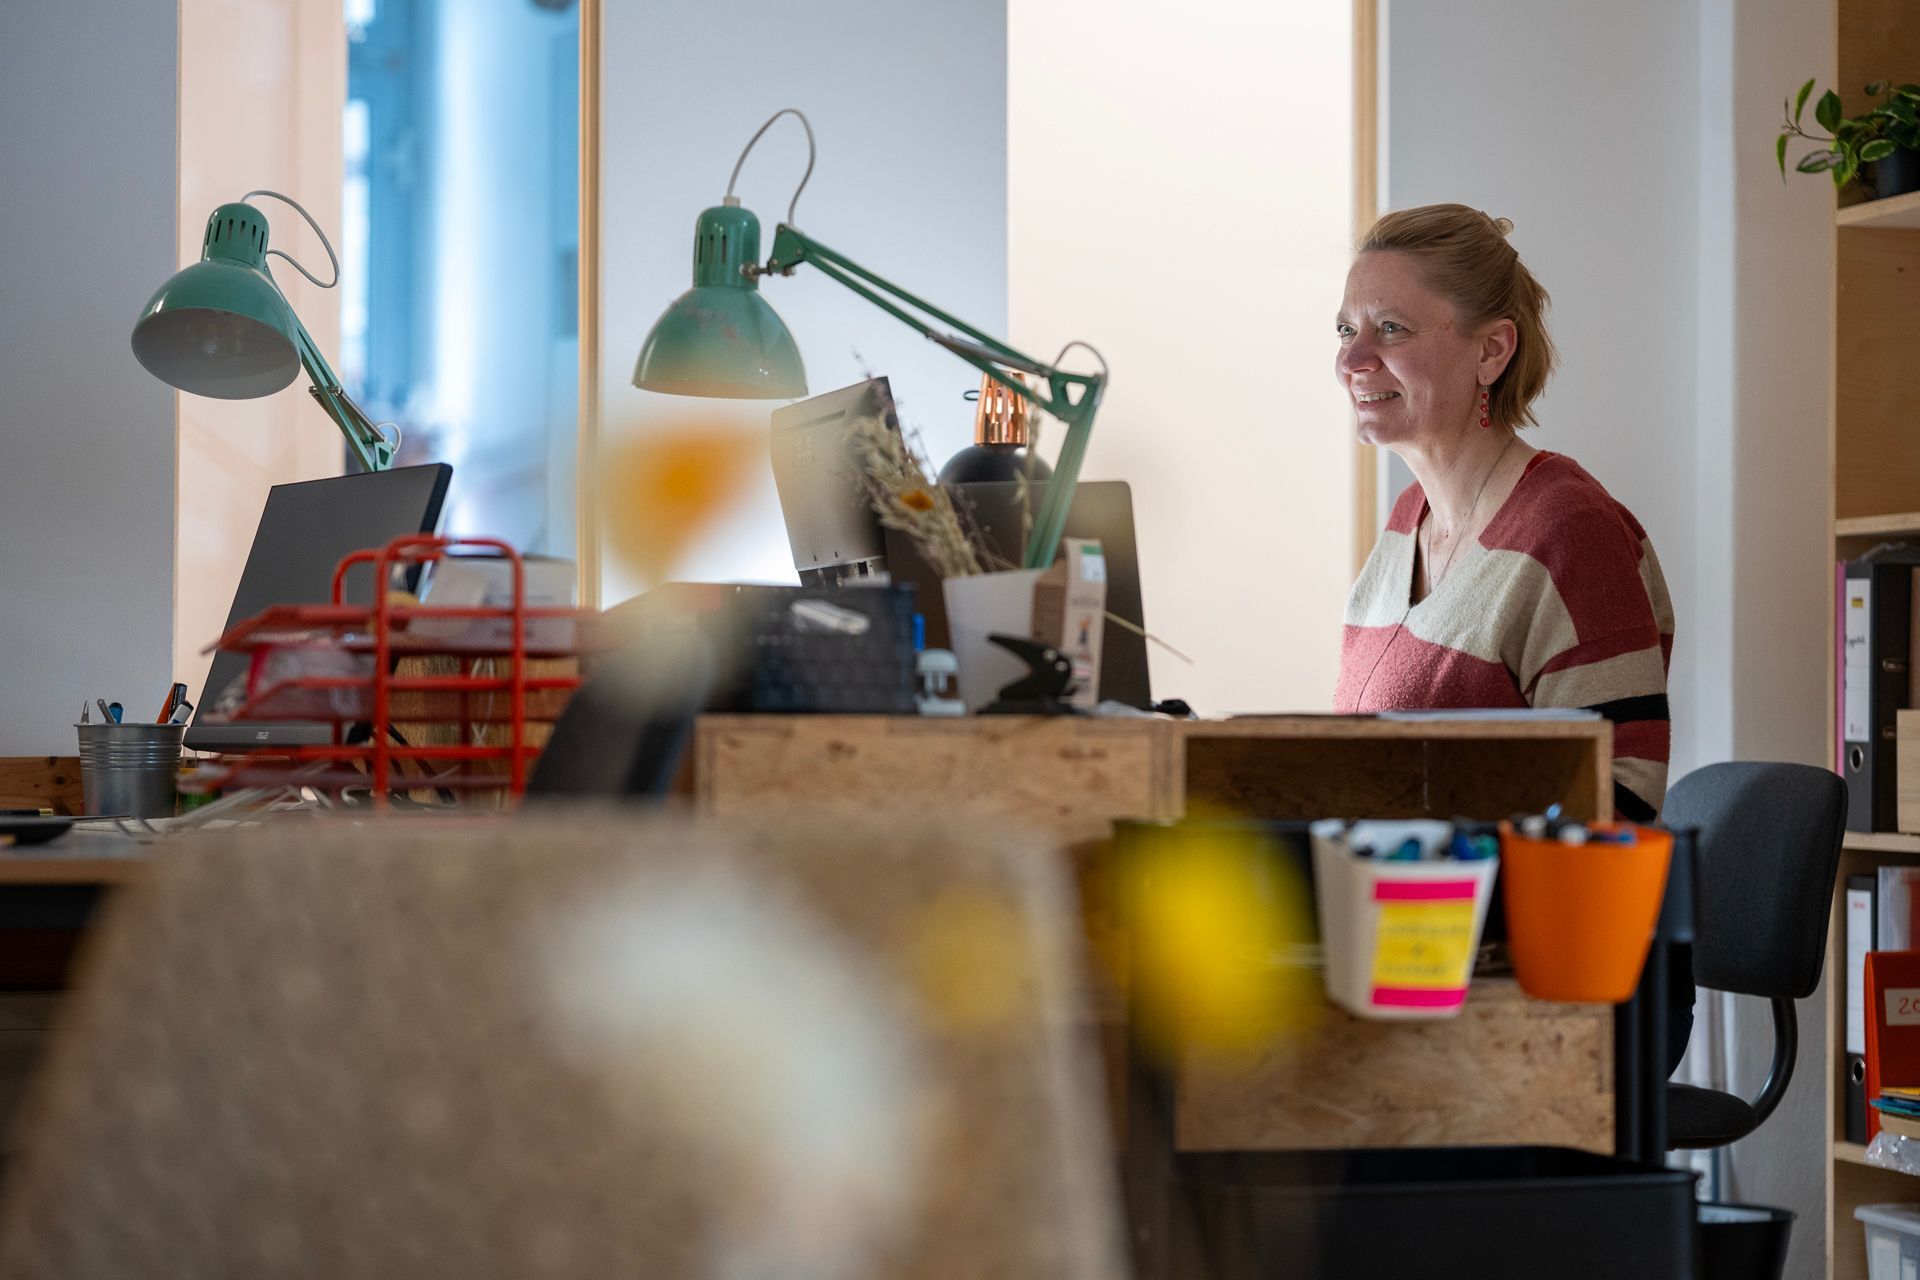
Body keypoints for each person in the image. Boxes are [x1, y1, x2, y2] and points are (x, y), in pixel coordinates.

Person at [1332, 203, 1675, 825]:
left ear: (1491, 351)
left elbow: (1621, 798)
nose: (1353, 360)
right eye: (1345, 330)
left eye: (1391, 328)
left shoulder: (1571, 532)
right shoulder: (1406, 522)